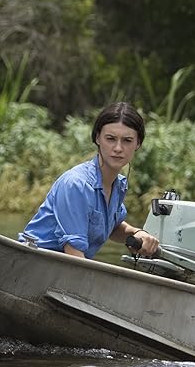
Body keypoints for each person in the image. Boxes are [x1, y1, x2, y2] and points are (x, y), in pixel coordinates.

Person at [20, 102, 160, 259]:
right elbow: (74, 255)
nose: (118, 148)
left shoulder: (119, 185)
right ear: (97, 138)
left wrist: (136, 232)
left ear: (138, 144)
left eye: (127, 140)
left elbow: (111, 227)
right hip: (33, 262)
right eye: (111, 139)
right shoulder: (76, 184)